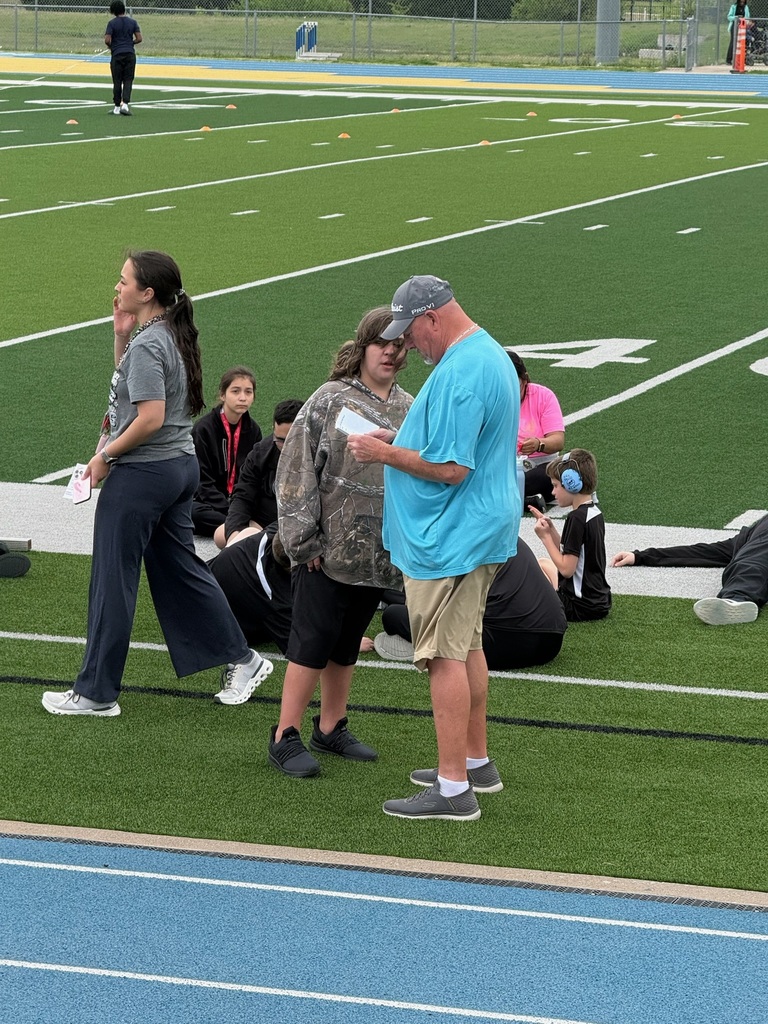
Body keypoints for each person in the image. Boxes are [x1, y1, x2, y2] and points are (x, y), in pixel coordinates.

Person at [42, 250, 273, 718]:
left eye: (124, 281)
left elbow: (149, 417)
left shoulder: (152, 344)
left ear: (147, 293)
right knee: (181, 572)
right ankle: (244, 658)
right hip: (176, 469)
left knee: (113, 580)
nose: (117, 287)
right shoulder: (163, 334)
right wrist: (120, 337)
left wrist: (105, 455)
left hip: (145, 473)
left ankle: (96, 693)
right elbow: (129, 388)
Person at [348, 275, 520, 822]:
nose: (406, 347)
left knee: (443, 656)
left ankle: (453, 790)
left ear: (433, 318)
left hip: (452, 535)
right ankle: (474, 763)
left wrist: (383, 454)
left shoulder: (464, 371)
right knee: (467, 646)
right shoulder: (484, 353)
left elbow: (450, 468)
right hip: (476, 527)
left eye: (410, 334)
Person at [268, 307, 412, 778]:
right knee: (311, 642)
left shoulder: (409, 408)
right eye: (381, 343)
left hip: (376, 554)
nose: (390, 351)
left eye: (398, 344)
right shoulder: (330, 399)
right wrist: (302, 540)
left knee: (346, 643)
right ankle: (284, 735)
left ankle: (331, 726)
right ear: (363, 346)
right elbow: (295, 469)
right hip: (325, 553)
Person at [373, 538, 567, 670]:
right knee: (400, 603)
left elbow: (439, 604)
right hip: (553, 639)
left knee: (393, 616)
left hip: (509, 639)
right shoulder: (499, 527)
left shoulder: (459, 535)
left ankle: (425, 650)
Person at [611, 513, 768, 625]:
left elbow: (751, 562)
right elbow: (709, 552)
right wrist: (641, 556)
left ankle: (738, 599)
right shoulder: (757, 532)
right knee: (747, 557)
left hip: (749, 571)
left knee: (751, 561)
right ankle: (737, 599)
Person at [530, 449, 611, 623]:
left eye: (556, 485)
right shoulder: (593, 512)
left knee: (531, 574)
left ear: (571, 483)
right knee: (543, 563)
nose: (553, 492)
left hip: (577, 606)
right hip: (598, 601)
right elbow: (574, 551)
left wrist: (544, 538)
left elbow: (567, 570)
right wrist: (551, 530)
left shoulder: (576, 518)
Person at [214, 398, 303, 550]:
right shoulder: (261, 453)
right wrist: (234, 535)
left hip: (295, 522)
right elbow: (242, 495)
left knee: (253, 540)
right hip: (261, 519)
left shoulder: (318, 455)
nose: (285, 447)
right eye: (280, 440)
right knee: (221, 536)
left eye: (291, 440)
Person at [190, 366, 262, 538]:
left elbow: (256, 477)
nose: (242, 398)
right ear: (223, 395)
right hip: (207, 502)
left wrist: (242, 506)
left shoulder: (253, 431)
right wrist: (232, 511)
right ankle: (243, 526)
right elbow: (202, 484)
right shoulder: (204, 429)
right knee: (192, 513)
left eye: (248, 392)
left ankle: (236, 526)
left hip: (239, 502)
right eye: (235, 391)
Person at [506, 349, 565, 511]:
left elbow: (558, 440)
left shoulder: (543, 396)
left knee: (556, 472)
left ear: (524, 379)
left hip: (539, 465)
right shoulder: (491, 398)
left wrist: (539, 444)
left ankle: (512, 497)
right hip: (503, 464)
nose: (510, 392)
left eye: (514, 386)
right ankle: (525, 501)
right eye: (505, 386)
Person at [104, 1, 141, 116]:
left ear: (113, 11)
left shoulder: (112, 23)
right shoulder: (133, 22)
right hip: (130, 53)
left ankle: (116, 107)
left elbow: (107, 40)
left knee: (117, 81)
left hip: (117, 54)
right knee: (128, 80)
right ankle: (125, 104)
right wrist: (131, 43)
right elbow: (139, 38)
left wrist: (112, 47)